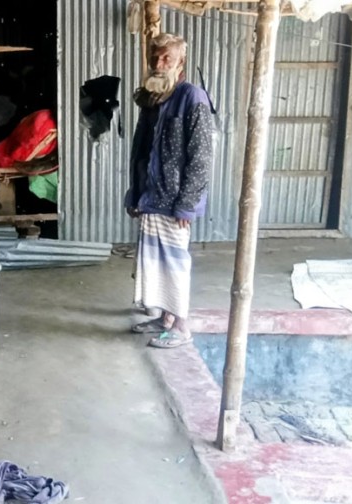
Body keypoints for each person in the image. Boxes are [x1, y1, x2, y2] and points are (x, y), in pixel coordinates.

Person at [125, 33, 214, 349]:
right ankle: (165, 319)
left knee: (175, 265)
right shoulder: (152, 98)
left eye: (167, 58)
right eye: (155, 58)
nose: (159, 64)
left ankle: (182, 327)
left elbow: (201, 156)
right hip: (151, 196)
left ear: (181, 63)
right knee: (155, 263)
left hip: (174, 200)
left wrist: (186, 204)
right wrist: (134, 193)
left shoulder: (192, 97)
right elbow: (141, 150)